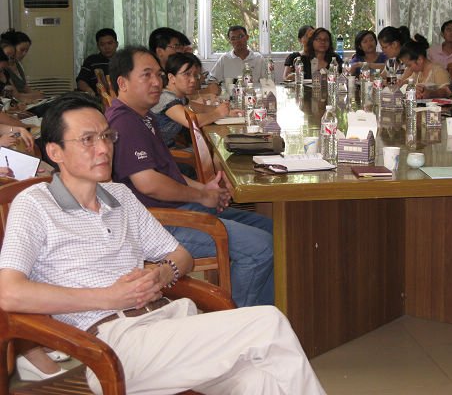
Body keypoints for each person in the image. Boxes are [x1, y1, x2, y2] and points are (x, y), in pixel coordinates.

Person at [0, 92, 326, 394]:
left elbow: (180, 254)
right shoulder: (36, 204)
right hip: (111, 345)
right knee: (268, 324)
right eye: (87, 140)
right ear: (55, 152)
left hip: (167, 321)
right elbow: (8, 292)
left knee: (258, 379)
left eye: (107, 136)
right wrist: (109, 296)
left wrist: (162, 273)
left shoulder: (119, 195)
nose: (103, 149)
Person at [106, 46, 274, 307]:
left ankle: (268, 308)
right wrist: (200, 196)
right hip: (158, 222)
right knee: (260, 247)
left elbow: (167, 172)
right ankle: (239, 320)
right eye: (146, 75)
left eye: (158, 75)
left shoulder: (143, 116)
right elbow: (149, 184)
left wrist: (205, 189)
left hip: (175, 208)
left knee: (270, 227)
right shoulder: (124, 123)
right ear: (122, 83)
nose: (156, 82)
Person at [151, 52, 236, 148]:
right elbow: (192, 122)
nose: (193, 80)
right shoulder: (166, 98)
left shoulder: (179, 97)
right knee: (215, 149)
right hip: (159, 153)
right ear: (171, 78)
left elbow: (201, 108)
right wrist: (218, 113)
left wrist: (228, 111)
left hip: (169, 147)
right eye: (187, 74)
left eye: (195, 75)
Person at [0, 30, 44, 100]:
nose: (24, 54)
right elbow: (17, 96)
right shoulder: (6, 69)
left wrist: (37, 94)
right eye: (22, 50)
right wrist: (36, 95)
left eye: (26, 51)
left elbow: (24, 89)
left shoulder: (17, 65)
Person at [76, 28, 119, 95]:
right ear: (98, 46)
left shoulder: (124, 60)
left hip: (121, 98)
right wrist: (89, 91)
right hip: (96, 98)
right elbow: (81, 81)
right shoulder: (91, 60)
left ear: (116, 44)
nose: (106, 47)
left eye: (110, 43)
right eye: (102, 45)